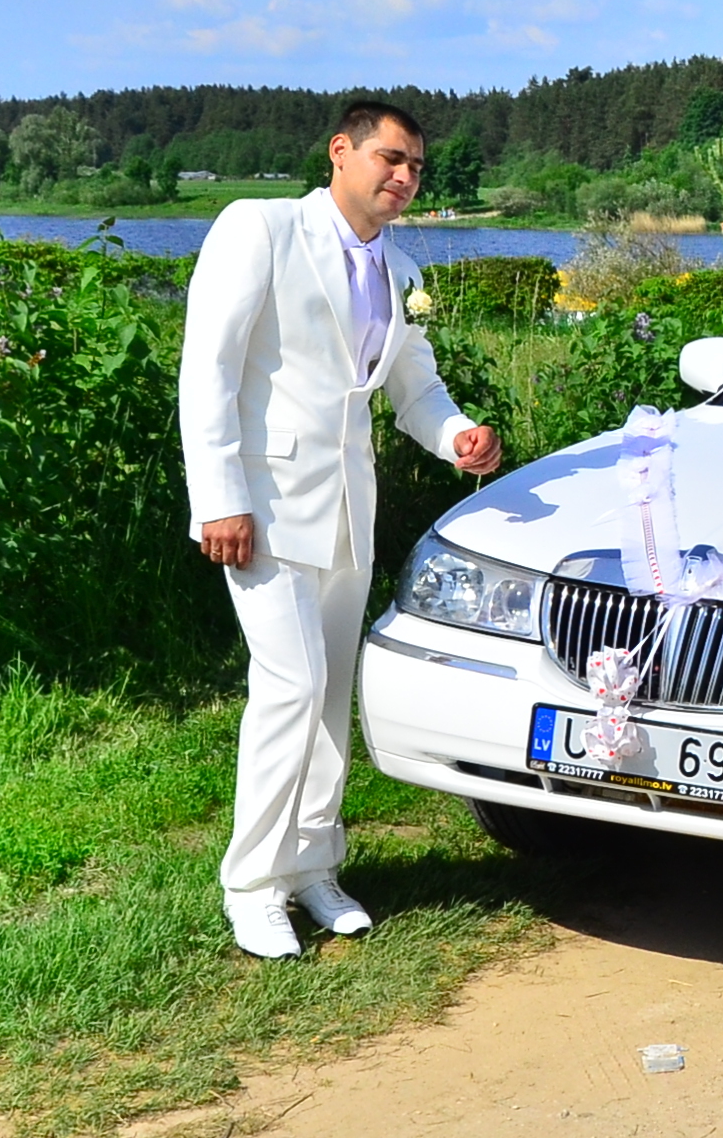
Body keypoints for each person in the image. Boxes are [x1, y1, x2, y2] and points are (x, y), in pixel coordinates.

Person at [181, 98, 501, 958]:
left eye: (417, 167)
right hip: (263, 507)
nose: (405, 177)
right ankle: (252, 886)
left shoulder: (394, 265)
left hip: (349, 510)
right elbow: (208, 369)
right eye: (391, 159)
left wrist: (456, 437)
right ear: (340, 152)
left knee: (327, 696)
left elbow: (413, 384)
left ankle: (313, 866)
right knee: (289, 687)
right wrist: (219, 497)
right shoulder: (261, 228)